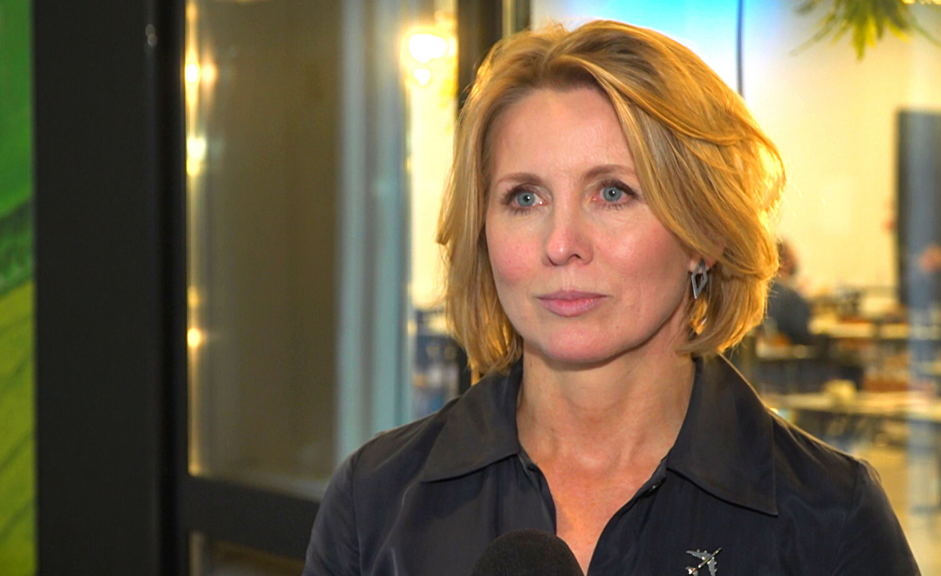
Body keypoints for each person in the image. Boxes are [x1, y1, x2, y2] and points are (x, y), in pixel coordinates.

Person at [303, 20, 918, 576]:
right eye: (525, 198)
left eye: (613, 193)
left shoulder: (829, 518)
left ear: (703, 234)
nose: (560, 244)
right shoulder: (376, 503)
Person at [765, 239, 815, 345]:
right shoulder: (792, 297)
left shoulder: (758, 291)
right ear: (783, 262)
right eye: (793, 259)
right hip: (790, 352)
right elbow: (802, 332)